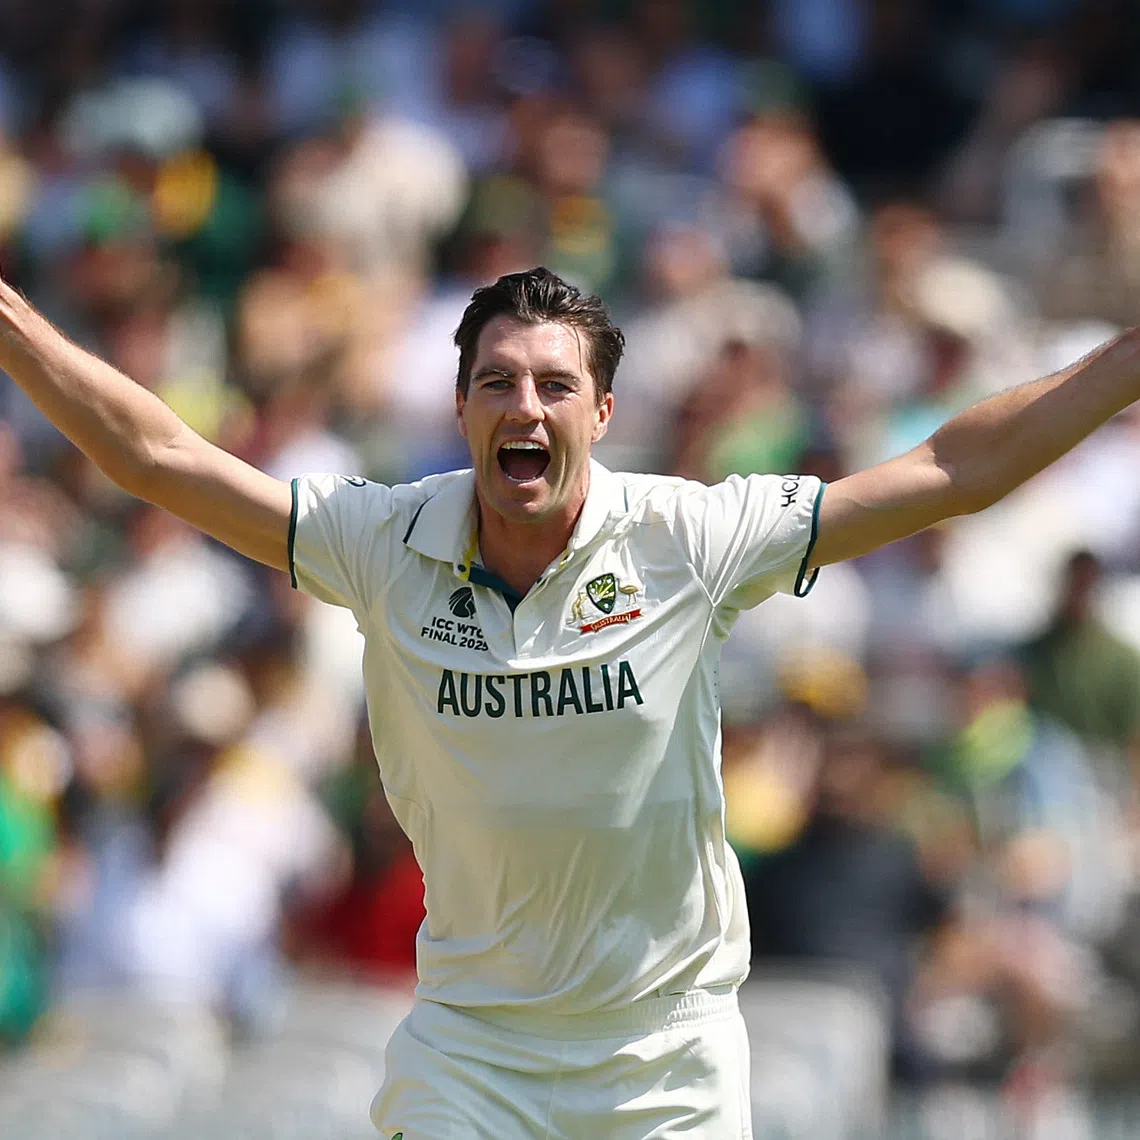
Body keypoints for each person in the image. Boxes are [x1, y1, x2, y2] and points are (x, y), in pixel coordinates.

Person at [1, 264, 1138, 1137]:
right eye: (497, 381)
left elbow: (952, 470)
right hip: (473, 1053)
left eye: (556, 386)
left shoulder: (688, 536)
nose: (525, 408)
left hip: (665, 1060)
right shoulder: (378, 539)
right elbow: (152, 456)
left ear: (602, 413)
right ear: (459, 408)